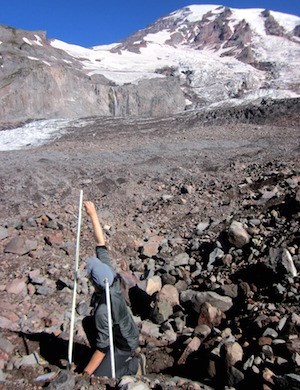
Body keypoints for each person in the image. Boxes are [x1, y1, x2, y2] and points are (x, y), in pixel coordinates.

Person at [82, 201, 145, 379]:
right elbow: (101, 242)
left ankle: (133, 365)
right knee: (88, 322)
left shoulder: (103, 310)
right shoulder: (109, 275)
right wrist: (92, 213)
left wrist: (85, 374)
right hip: (125, 327)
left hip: (125, 343)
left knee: (101, 376)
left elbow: (102, 349)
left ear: (94, 282)